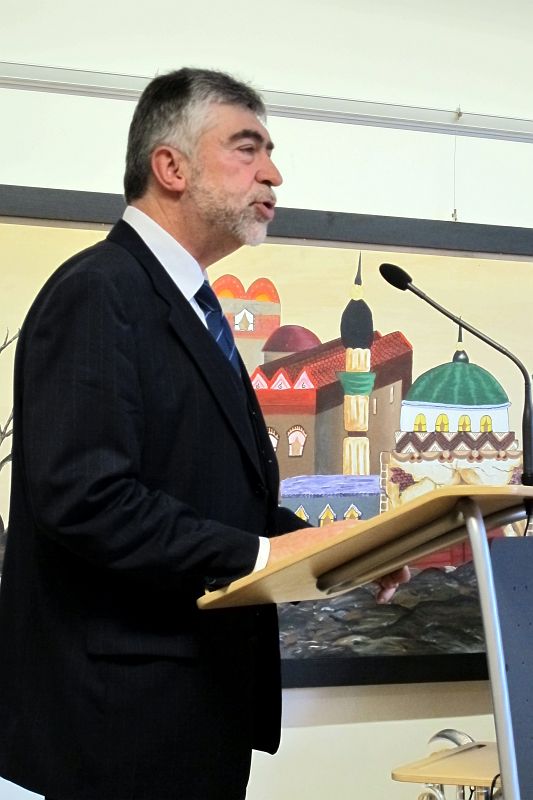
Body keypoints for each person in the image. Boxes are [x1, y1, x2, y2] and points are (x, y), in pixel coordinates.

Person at [0, 68, 408, 800]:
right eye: (247, 148)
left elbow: (219, 503)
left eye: (269, 152)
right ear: (171, 167)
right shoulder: (99, 290)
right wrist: (260, 555)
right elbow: (86, 499)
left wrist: (344, 553)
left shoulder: (189, 301)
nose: (273, 173)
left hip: (191, 717)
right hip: (115, 733)